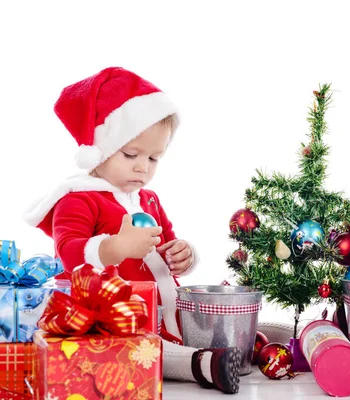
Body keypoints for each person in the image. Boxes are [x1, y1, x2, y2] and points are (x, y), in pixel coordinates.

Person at [24, 67, 241, 394]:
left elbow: (168, 245)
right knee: (144, 349)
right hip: (113, 321)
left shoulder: (148, 199)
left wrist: (185, 254)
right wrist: (115, 247)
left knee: (216, 322)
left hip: (161, 311)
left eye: (154, 158)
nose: (143, 167)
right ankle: (201, 364)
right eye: (131, 155)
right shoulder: (78, 199)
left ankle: (242, 345)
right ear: (99, 147)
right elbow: (68, 253)